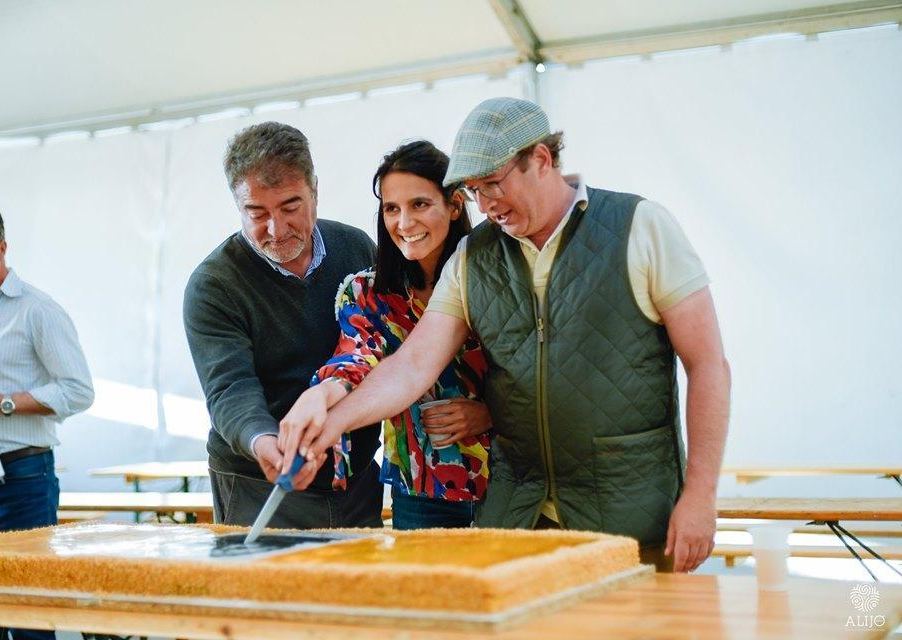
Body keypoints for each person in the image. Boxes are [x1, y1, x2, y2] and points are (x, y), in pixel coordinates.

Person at [279, 98, 731, 573]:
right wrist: (333, 423)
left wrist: (701, 494)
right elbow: (412, 365)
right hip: (519, 518)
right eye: (475, 191)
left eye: (493, 183)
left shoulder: (641, 226)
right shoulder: (472, 257)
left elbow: (707, 365)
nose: (486, 204)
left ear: (541, 159)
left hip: (632, 513)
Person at [279, 141, 491, 530]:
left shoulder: (493, 278)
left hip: (507, 481)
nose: (404, 223)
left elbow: (533, 374)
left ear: (455, 205)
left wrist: (490, 414)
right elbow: (355, 356)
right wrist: (321, 395)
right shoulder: (366, 293)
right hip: (421, 491)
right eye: (392, 208)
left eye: (419, 204)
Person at [183, 121, 380, 529]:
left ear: (315, 191)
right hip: (258, 481)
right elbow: (229, 388)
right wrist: (262, 441)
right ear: (238, 205)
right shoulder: (214, 284)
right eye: (257, 213)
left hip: (355, 478)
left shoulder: (357, 248)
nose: (276, 229)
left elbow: (382, 347)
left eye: (291, 207)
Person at [0, 203, 94, 640]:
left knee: (28, 617)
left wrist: (3, 403)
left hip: (23, 478)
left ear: (1, 247)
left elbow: (79, 391)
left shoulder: (37, 310)